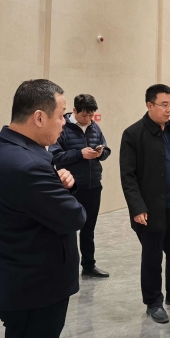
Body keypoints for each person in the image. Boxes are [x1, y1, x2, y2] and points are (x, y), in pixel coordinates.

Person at [0, 79, 86, 338]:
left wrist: (61, 185)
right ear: (39, 117)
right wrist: (65, 191)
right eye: (62, 115)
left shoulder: (9, 149)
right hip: (35, 290)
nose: (64, 123)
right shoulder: (26, 164)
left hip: (22, 282)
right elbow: (75, 217)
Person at [120, 84, 170, 324]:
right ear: (149, 105)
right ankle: (153, 301)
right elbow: (128, 176)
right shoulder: (133, 134)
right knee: (152, 257)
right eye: (163, 105)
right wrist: (137, 207)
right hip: (151, 209)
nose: (168, 109)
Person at [49, 94, 111, 278]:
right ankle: (65, 268)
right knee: (67, 228)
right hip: (71, 188)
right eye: (84, 115)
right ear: (74, 110)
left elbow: (106, 149)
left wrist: (101, 153)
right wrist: (79, 154)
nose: (88, 119)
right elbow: (54, 156)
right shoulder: (62, 127)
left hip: (94, 186)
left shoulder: (94, 127)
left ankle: (89, 265)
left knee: (88, 229)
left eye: (91, 115)